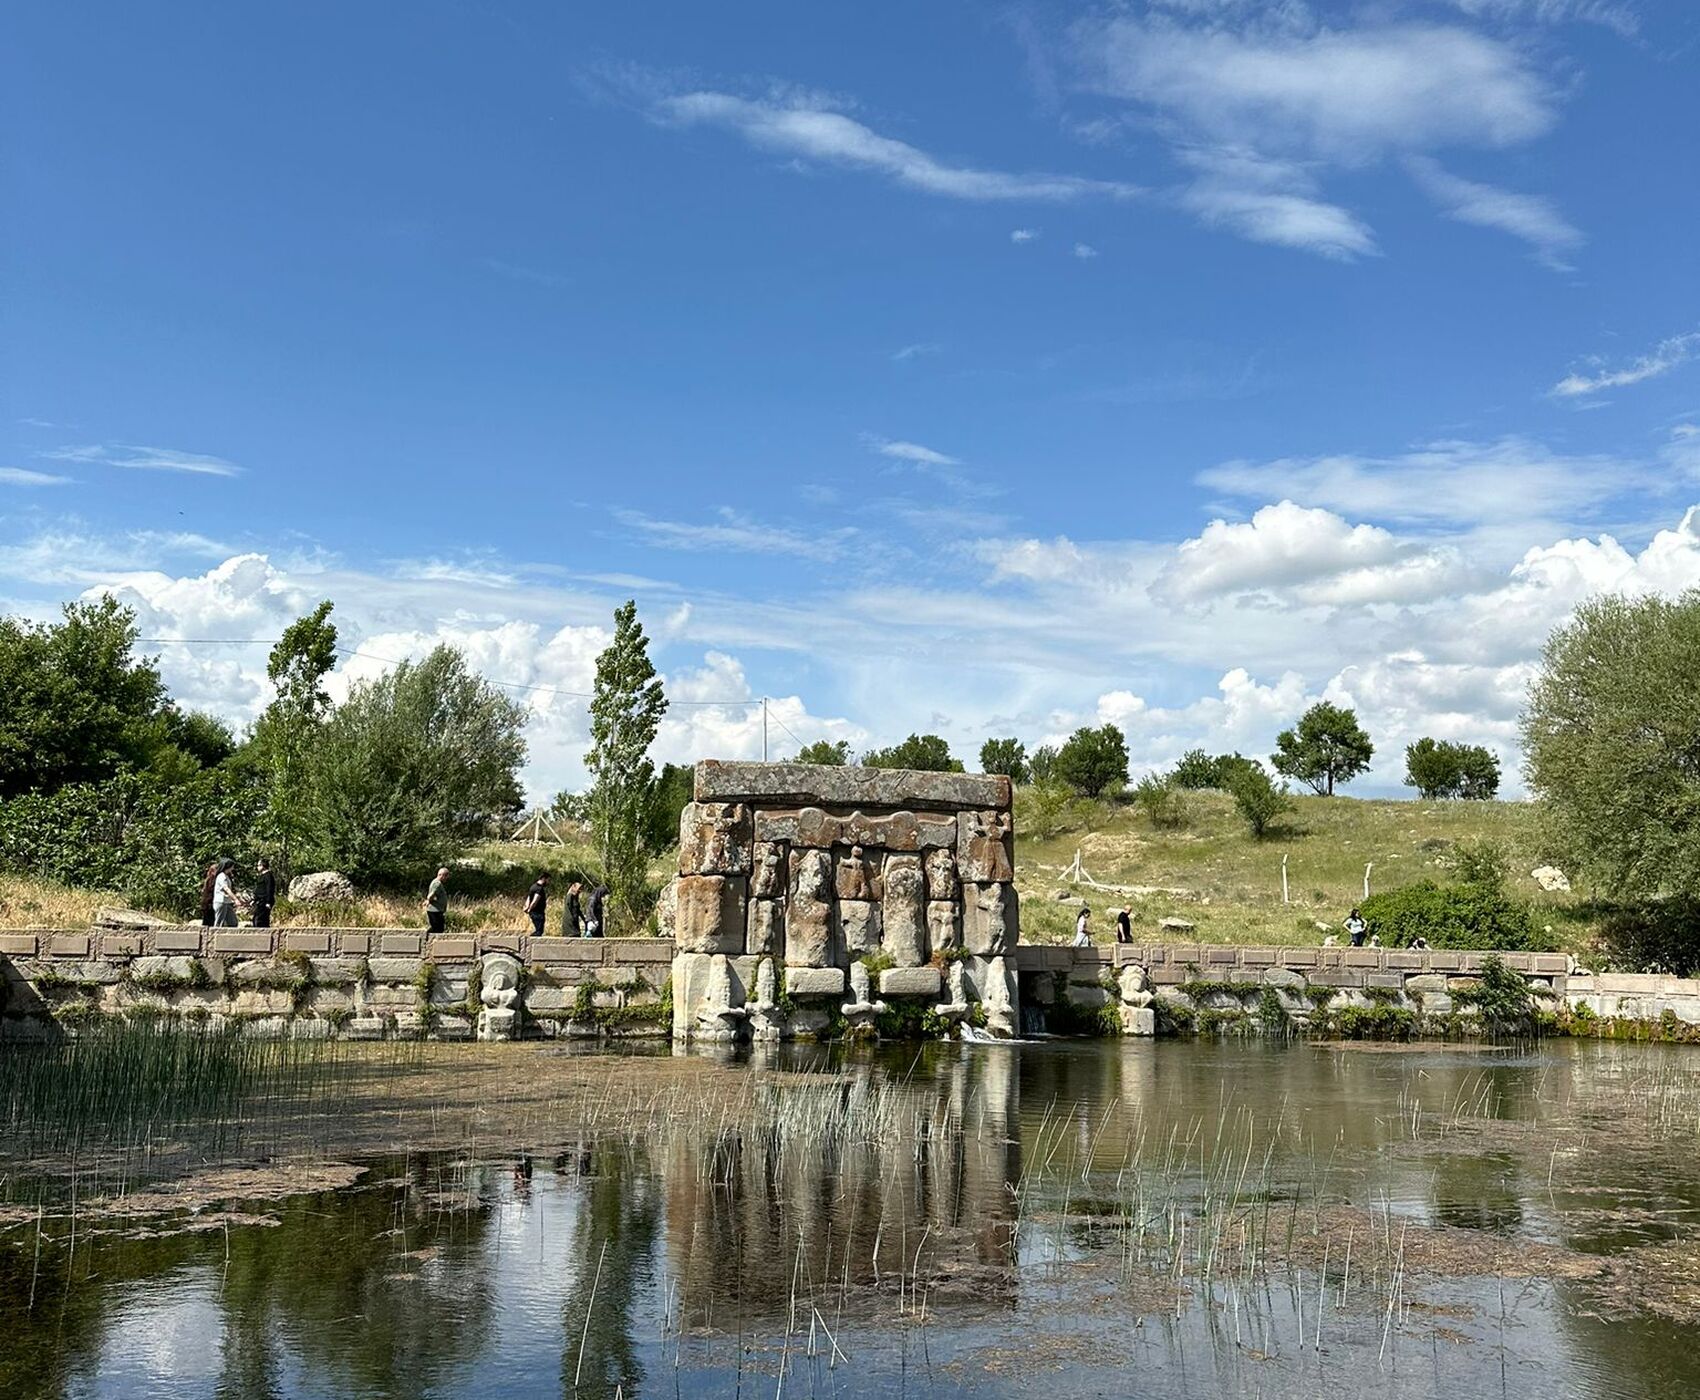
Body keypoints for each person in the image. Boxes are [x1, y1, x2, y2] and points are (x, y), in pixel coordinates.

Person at [212, 858, 239, 928]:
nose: (233, 868)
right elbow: (226, 889)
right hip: (221, 902)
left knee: (233, 922)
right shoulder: (221, 876)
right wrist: (235, 899)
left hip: (227, 902)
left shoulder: (226, 876)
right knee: (219, 922)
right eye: (232, 866)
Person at [252, 857, 276, 929]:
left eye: (259, 865)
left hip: (264, 901)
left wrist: (268, 901)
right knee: (256, 918)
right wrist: (254, 899)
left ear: (263, 865)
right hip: (259, 901)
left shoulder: (268, 876)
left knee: (261, 920)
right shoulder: (261, 876)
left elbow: (269, 889)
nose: (257, 867)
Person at [424, 867, 449, 934]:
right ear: (442, 875)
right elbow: (430, 895)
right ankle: (426, 938)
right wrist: (429, 900)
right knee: (438, 929)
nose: (447, 878)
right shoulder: (437, 884)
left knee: (437, 928)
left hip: (436, 910)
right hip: (435, 911)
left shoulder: (436, 882)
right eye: (446, 876)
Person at [524, 873, 550, 937]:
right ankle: (531, 941)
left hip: (534, 912)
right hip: (538, 913)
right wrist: (530, 909)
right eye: (548, 880)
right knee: (539, 931)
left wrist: (526, 907)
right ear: (544, 879)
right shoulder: (539, 889)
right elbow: (535, 900)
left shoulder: (533, 886)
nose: (548, 882)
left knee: (538, 930)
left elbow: (529, 898)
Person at [198, 861, 219, 927]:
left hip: (205, 904)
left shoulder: (207, 879)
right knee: (209, 922)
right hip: (209, 903)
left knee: (206, 921)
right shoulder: (213, 880)